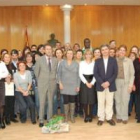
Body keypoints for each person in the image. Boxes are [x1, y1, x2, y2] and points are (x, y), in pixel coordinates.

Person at [94, 44, 118, 126]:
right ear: (101, 52)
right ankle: (101, 118)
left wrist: (108, 82)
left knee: (109, 102)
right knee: (100, 102)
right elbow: (96, 73)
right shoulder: (97, 61)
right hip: (100, 85)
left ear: (108, 50)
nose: (104, 51)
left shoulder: (113, 60)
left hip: (110, 85)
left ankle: (109, 118)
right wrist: (102, 83)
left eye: (106, 49)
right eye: (103, 50)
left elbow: (115, 73)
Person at [35, 44, 58, 127]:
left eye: (50, 49)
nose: (48, 50)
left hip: (52, 84)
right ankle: (41, 120)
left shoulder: (55, 60)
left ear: (52, 50)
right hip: (42, 84)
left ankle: (49, 119)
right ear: (44, 50)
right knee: (42, 102)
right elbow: (36, 72)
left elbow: (56, 72)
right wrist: (40, 81)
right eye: (47, 49)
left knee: (51, 102)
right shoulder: (39, 60)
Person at [58, 49, 80, 123]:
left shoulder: (76, 64)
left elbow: (78, 76)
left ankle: (72, 116)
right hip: (64, 85)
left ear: (73, 55)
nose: (69, 55)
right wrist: (60, 83)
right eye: (68, 53)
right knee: (66, 101)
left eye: (71, 53)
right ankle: (66, 117)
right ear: (66, 54)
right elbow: (59, 74)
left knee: (72, 101)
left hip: (73, 85)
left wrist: (78, 85)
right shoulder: (62, 63)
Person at [115, 45, 134, 124]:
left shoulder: (129, 61)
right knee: (118, 100)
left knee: (125, 100)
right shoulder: (114, 60)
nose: (122, 52)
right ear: (118, 51)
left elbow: (132, 74)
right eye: (121, 50)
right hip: (116, 82)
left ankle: (124, 117)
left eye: (124, 50)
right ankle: (119, 116)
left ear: (126, 52)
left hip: (126, 83)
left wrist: (130, 85)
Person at [79, 50, 96, 123]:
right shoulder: (81, 63)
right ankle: (86, 115)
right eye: (87, 54)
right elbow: (80, 74)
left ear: (92, 55)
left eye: (90, 54)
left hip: (92, 81)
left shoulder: (94, 63)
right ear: (84, 55)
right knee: (84, 99)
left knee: (91, 99)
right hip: (84, 82)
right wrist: (86, 83)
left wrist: (92, 83)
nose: (88, 55)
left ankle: (90, 115)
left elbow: (96, 74)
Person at [2, 53, 18, 125]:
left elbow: (12, 75)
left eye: (8, 57)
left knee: (11, 101)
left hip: (11, 87)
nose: (7, 58)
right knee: (6, 102)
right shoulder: (1, 66)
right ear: (3, 58)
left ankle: (11, 116)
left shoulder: (11, 66)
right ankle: (6, 117)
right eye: (6, 57)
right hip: (3, 86)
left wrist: (12, 79)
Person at [53, 49, 64, 115]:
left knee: (62, 99)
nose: (58, 54)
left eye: (60, 53)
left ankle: (62, 112)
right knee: (54, 98)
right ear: (55, 54)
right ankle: (54, 113)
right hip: (54, 82)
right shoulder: (53, 62)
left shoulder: (64, 62)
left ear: (62, 54)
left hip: (62, 83)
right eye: (57, 53)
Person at [0, 59, 9, 129]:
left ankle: (1, 120)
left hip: (1, 84)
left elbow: (6, 73)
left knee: (1, 103)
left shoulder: (2, 63)